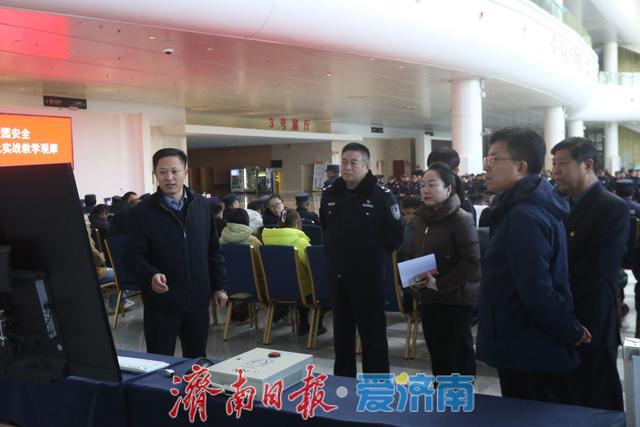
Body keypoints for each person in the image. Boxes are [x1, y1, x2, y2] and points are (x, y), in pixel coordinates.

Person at [476, 128, 589, 404]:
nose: (486, 167)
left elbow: (536, 289)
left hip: (527, 346)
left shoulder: (523, 215)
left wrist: (570, 329)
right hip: (525, 341)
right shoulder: (525, 205)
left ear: (521, 167)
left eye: (494, 159)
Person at [124, 148, 228, 358]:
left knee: (196, 361)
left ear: (185, 172)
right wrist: (150, 275)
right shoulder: (141, 213)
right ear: (155, 174)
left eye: (174, 171)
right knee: (161, 363)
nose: (169, 177)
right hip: (161, 304)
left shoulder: (202, 206)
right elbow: (131, 256)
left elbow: (213, 250)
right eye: (162, 172)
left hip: (198, 302)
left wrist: (219, 286)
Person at [551, 137, 628, 411]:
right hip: (561, 314)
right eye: (553, 164)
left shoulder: (612, 207)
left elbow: (597, 269)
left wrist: (552, 293)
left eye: (562, 164)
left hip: (592, 315)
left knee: (596, 391)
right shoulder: (560, 204)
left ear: (587, 165)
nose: (555, 171)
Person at [320, 142, 404, 377]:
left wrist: (371, 255)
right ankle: (343, 382)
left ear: (366, 166)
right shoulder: (330, 193)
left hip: (368, 276)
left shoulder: (381, 196)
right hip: (338, 274)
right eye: (344, 162)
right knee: (342, 333)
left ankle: (376, 386)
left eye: (353, 163)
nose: (347, 167)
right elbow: (326, 227)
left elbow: (396, 236)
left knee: (372, 334)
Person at [407, 163, 480, 376]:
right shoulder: (421, 220)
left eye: (432, 185)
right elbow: (414, 253)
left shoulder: (461, 219)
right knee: (438, 354)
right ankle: (442, 394)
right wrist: (413, 281)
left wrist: (439, 284)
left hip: (455, 298)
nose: (425, 190)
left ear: (448, 189)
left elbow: (472, 261)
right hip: (428, 296)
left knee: (456, 354)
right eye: (423, 185)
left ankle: (460, 395)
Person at [262, 209, 325, 335]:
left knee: (299, 282)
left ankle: (303, 323)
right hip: (301, 292)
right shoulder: (300, 243)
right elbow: (312, 268)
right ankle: (316, 325)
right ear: (297, 224)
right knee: (319, 286)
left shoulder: (266, 241)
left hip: (274, 290)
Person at [426, 147, 477, 224]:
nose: (433, 174)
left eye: (441, 170)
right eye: (431, 169)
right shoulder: (426, 204)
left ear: (456, 171)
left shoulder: (464, 208)